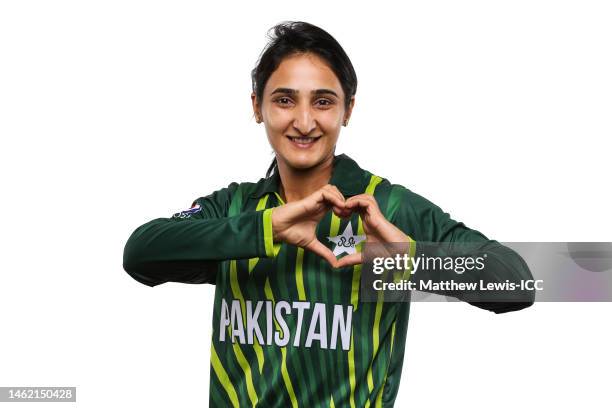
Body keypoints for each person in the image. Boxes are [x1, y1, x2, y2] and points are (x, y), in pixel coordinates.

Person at [123, 21, 535, 408]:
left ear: (348, 110)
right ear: (257, 106)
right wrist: (265, 228)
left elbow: (517, 282)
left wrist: (408, 260)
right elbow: (140, 254)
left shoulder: (386, 207)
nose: (304, 122)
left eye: (323, 101)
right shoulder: (235, 209)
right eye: (284, 100)